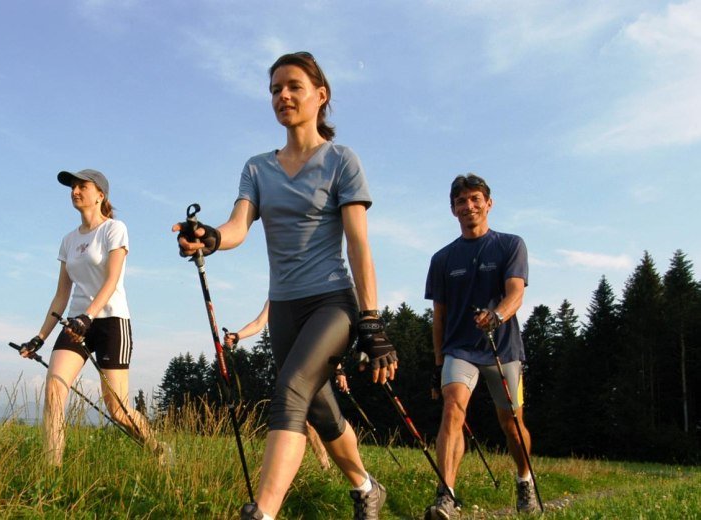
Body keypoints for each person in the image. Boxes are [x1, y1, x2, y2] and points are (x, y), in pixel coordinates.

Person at [174, 52, 398, 520]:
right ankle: (365, 486)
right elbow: (238, 226)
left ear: (321, 95)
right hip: (285, 309)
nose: (283, 96)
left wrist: (371, 320)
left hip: (333, 302)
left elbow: (359, 246)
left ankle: (263, 512)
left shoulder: (341, 161)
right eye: (275, 88)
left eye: (294, 86)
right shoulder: (258, 168)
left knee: (291, 386)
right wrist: (210, 238)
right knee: (318, 409)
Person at [19, 169, 166, 466]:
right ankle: (52, 468)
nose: (74, 191)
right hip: (75, 323)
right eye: (72, 187)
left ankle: (157, 449)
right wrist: (40, 337)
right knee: (54, 389)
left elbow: (112, 280)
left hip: (111, 321)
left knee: (118, 409)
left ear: (100, 194)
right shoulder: (69, 240)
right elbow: (61, 294)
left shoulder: (114, 229)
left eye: (81, 186)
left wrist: (88, 316)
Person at [424, 173, 537, 518]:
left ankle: (524, 480)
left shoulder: (510, 244)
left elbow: (516, 293)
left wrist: (497, 315)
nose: (469, 206)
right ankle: (446, 494)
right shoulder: (442, 259)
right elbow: (439, 316)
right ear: (453, 210)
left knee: (512, 425)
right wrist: (439, 360)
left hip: (503, 349)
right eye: (461, 201)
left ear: (489, 203)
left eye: (475, 199)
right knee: (452, 408)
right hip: (460, 350)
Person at [223, 300, 351, 471]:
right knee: (303, 422)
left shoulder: (310, 296)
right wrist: (237, 336)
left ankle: (344, 467)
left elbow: (327, 337)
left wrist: (339, 370)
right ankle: (323, 468)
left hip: (312, 365)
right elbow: (258, 323)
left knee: (324, 421)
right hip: (289, 370)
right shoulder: (276, 297)